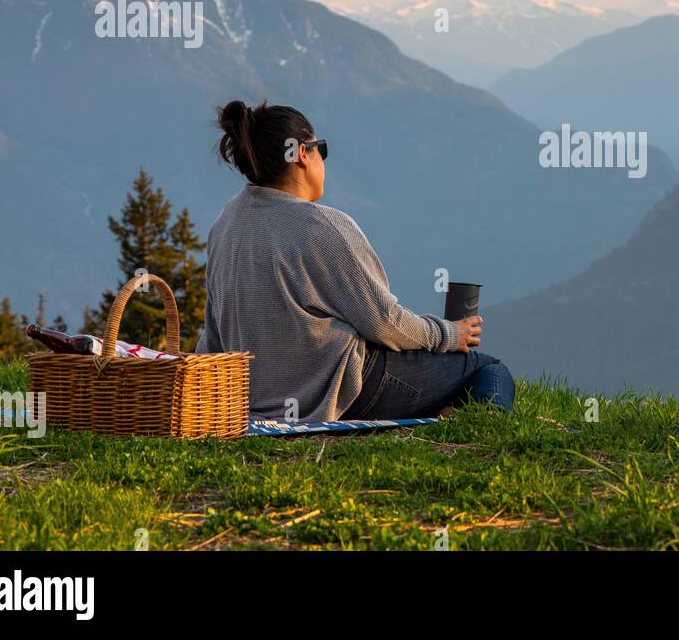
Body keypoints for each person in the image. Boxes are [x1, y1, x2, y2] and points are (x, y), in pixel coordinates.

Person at [195, 99, 515, 423]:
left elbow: (214, 330)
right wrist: (450, 335)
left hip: (252, 401)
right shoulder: (321, 226)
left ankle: (444, 413)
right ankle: (482, 427)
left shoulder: (225, 224)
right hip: (340, 392)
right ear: (303, 154)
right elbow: (385, 323)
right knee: (488, 369)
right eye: (321, 148)